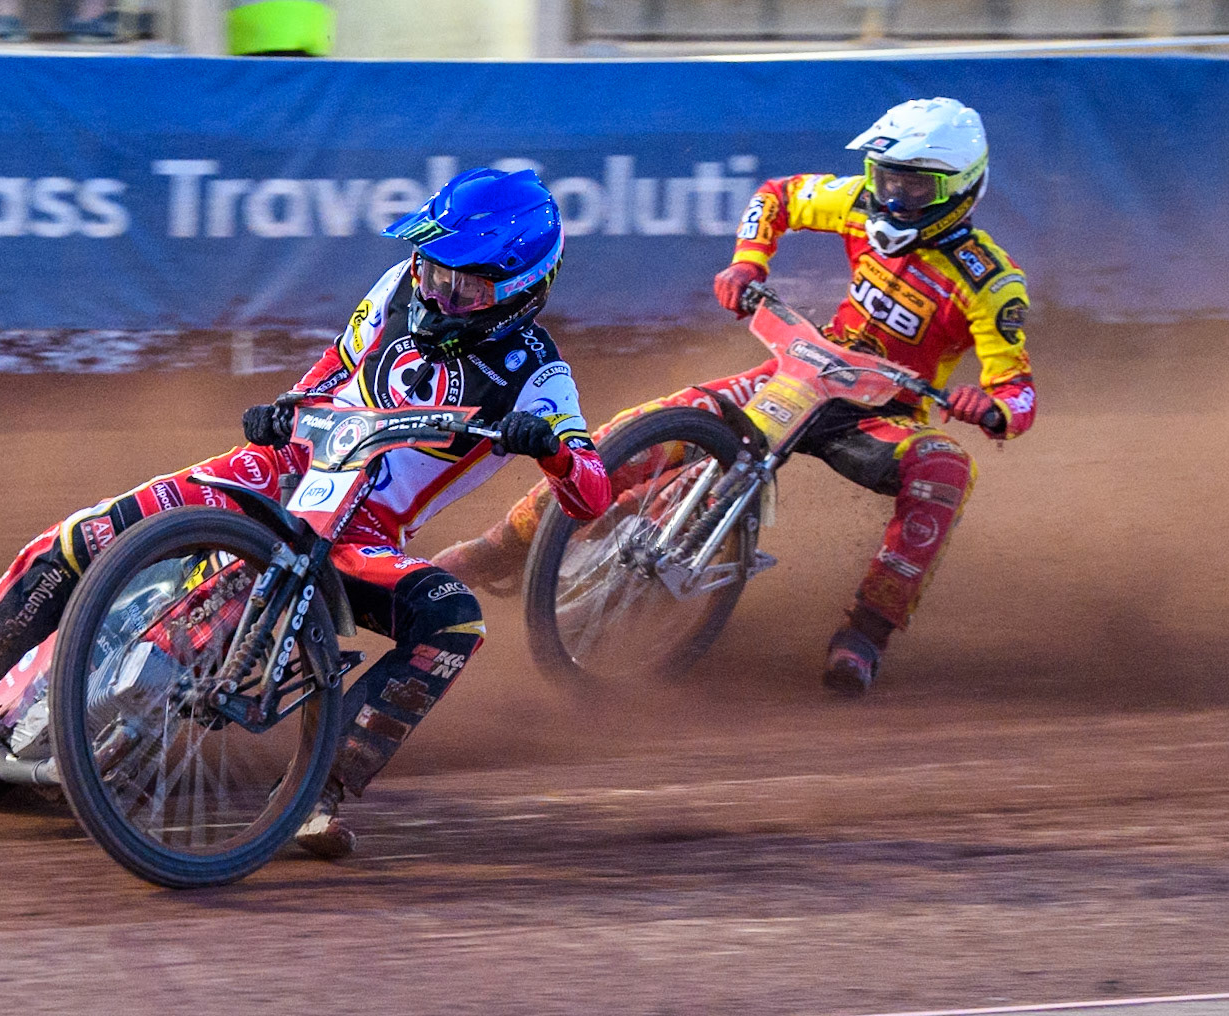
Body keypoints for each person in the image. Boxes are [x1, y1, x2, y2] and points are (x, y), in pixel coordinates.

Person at [0, 167, 612, 858]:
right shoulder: (397, 287)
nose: (437, 292)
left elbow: (592, 492)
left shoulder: (540, 379)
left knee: (455, 618)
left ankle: (320, 789)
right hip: (283, 467)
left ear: (520, 293)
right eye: (431, 270)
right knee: (93, 532)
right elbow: (337, 363)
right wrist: (290, 406)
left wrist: (548, 447)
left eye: (464, 288)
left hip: (361, 533)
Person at [437, 97, 1036, 697]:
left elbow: (1017, 392)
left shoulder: (989, 280)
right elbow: (773, 197)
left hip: (885, 412)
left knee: (946, 470)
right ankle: (499, 550)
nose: (892, 198)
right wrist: (749, 264)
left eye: (913, 188)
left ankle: (866, 635)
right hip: (810, 367)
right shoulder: (856, 201)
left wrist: (990, 406)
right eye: (887, 179)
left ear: (960, 190)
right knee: (648, 425)